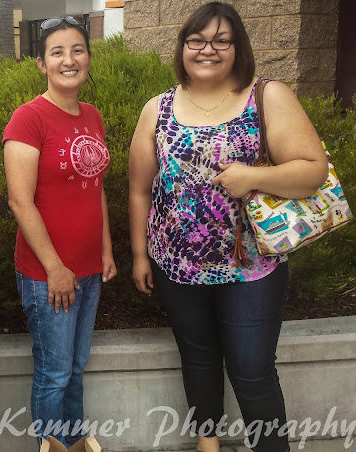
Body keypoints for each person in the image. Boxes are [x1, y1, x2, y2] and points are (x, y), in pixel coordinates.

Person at [129, 3, 328, 451]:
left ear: (238, 47)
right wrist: (141, 254)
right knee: (198, 357)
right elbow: (140, 189)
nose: (208, 50)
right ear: (182, 47)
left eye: (221, 40)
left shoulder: (267, 96)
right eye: (196, 40)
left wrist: (253, 176)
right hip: (175, 264)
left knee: (252, 368)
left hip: (251, 266)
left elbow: (313, 170)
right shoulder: (157, 108)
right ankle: (208, 444)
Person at [3, 16, 117, 447]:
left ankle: (74, 443)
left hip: (88, 267)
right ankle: (51, 446)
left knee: (75, 367)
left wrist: (105, 250)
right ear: (42, 63)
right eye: (57, 52)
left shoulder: (92, 115)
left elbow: (95, 187)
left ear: (88, 57)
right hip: (48, 273)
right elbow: (20, 201)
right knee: (54, 373)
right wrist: (55, 268)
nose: (69, 60)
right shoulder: (28, 118)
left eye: (77, 50)